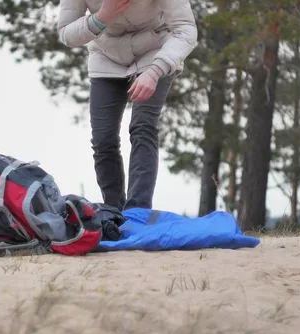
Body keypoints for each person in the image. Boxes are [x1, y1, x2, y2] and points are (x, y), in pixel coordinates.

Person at [57, 0, 198, 211]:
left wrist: (155, 71)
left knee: (143, 126)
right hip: (106, 55)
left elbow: (185, 29)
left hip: (155, 49)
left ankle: (138, 212)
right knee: (103, 140)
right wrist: (102, 17)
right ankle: (114, 212)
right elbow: (66, 33)